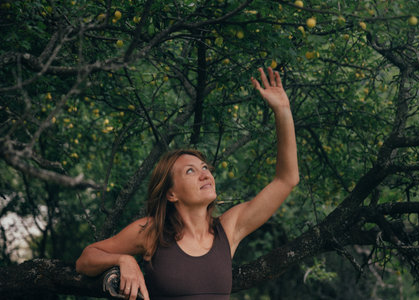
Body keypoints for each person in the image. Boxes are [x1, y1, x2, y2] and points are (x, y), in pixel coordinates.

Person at [75, 67, 299, 300]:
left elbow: (287, 179)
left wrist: (283, 111)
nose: (204, 175)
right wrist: (124, 259)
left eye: (205, 168)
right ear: (171, 194)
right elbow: (86, 259)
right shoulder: (152, 233)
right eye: (190, 171)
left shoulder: (229, 230)